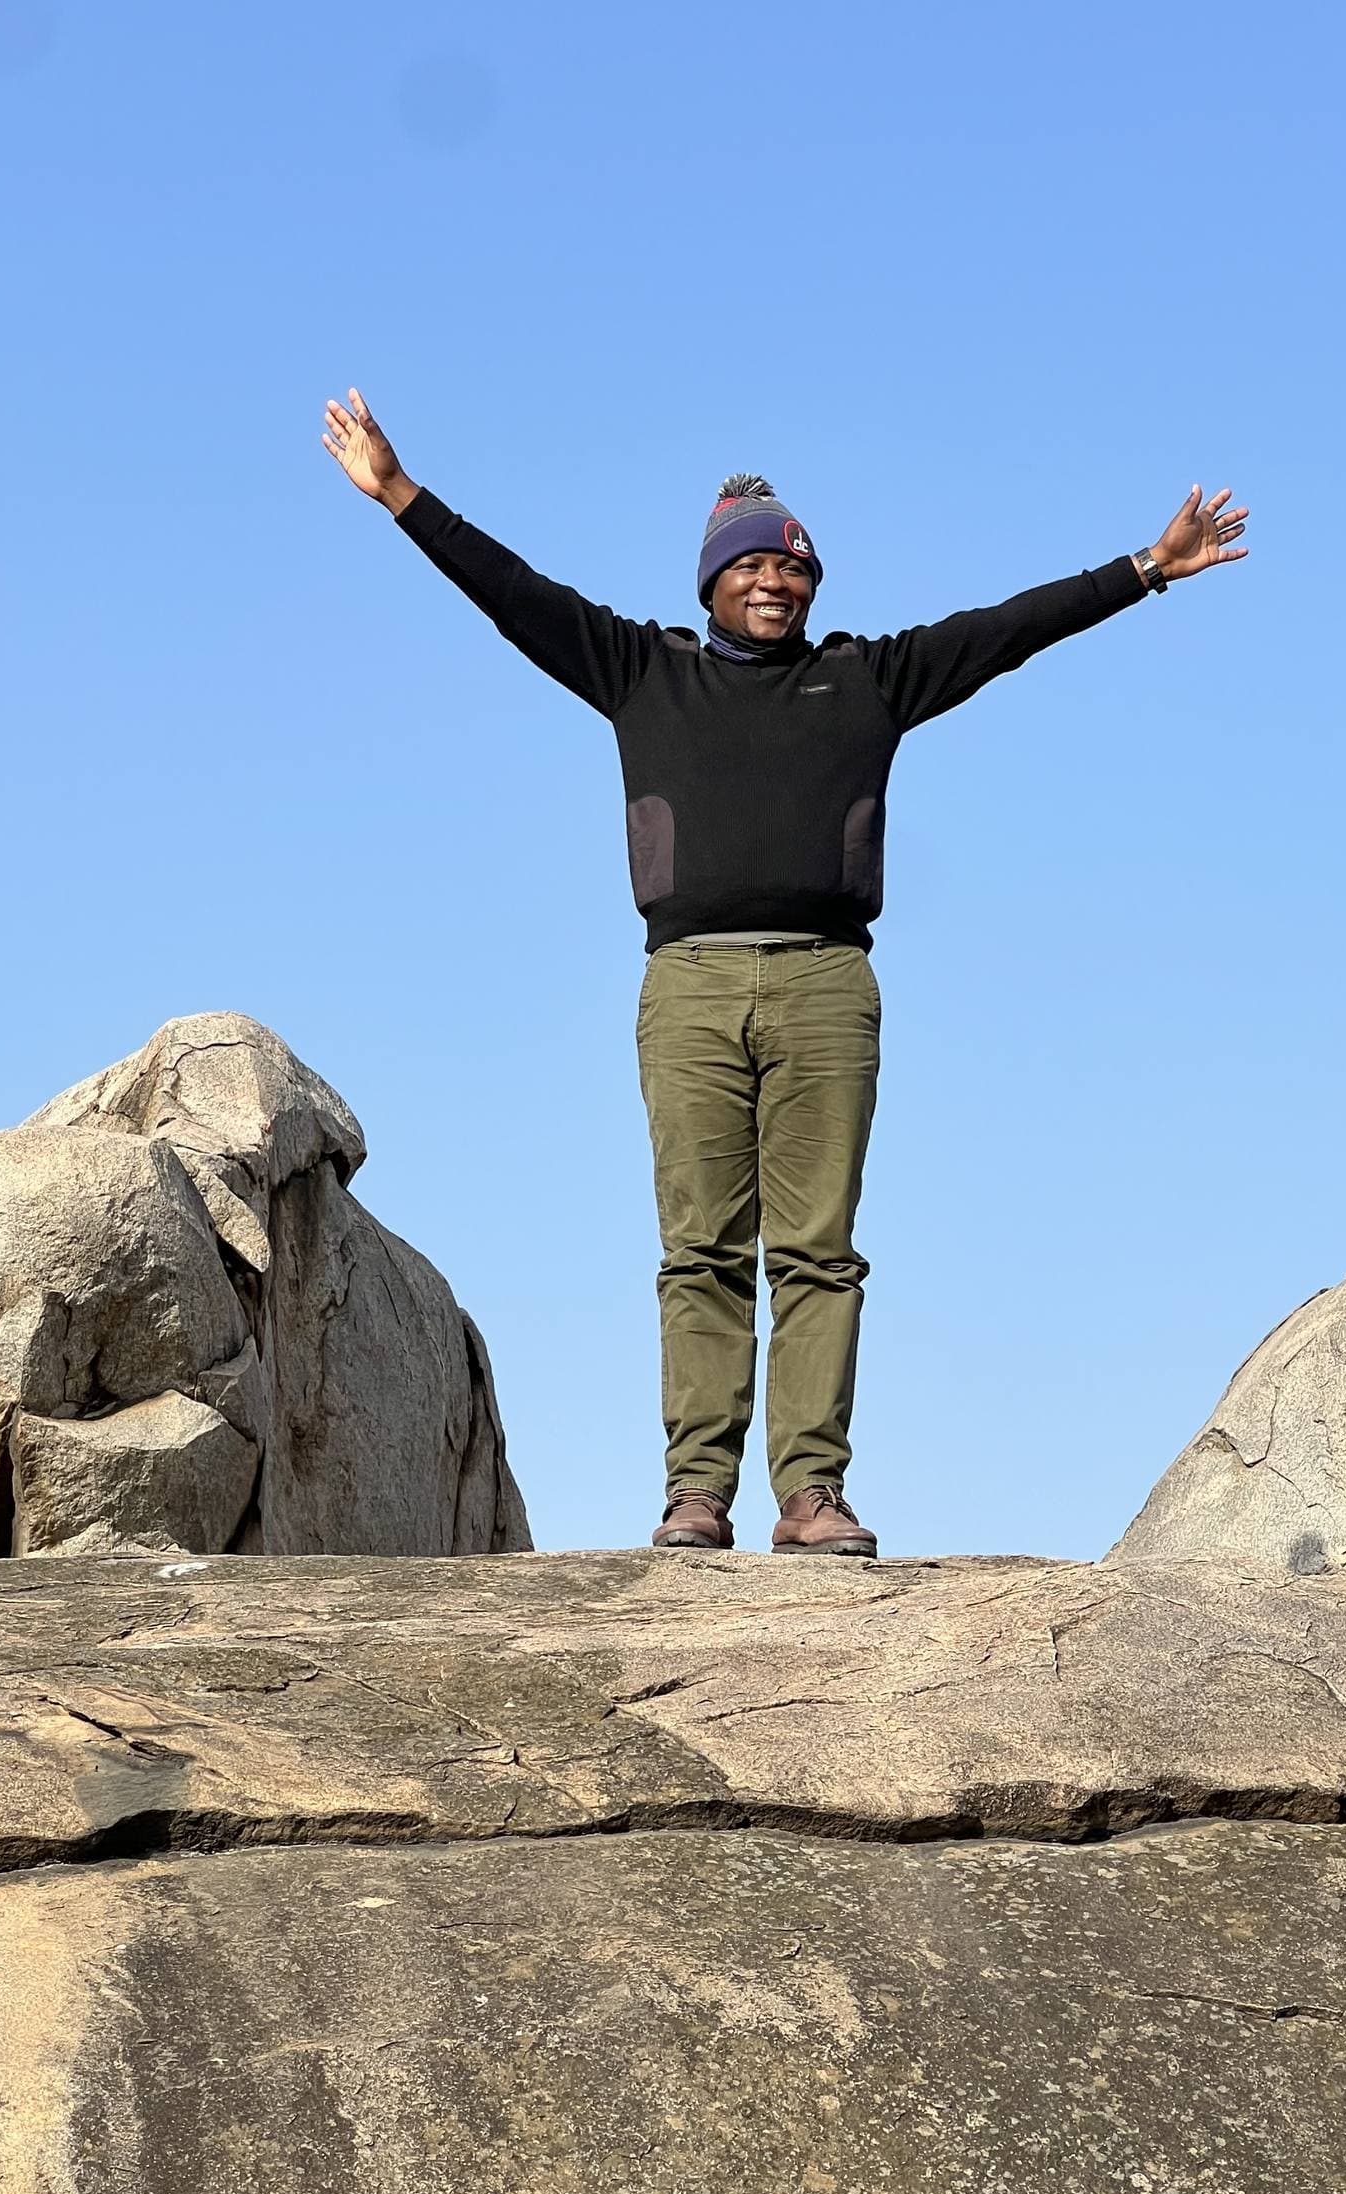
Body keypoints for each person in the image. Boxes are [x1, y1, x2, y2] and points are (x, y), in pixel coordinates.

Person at [321, 388, 1248, 1558]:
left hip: (825, 987)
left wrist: (1145, 569)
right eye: (751, 566)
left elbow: (1008, 629)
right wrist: (400, 494)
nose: (775, 583)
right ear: (710, 582)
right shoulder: (637, 670)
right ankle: (696, 1494)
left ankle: (811, 1493)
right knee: (700, 1248)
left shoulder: (868, 679)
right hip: (691, 990)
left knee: (818, 1250)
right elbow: (514, 596)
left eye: (795, 570)